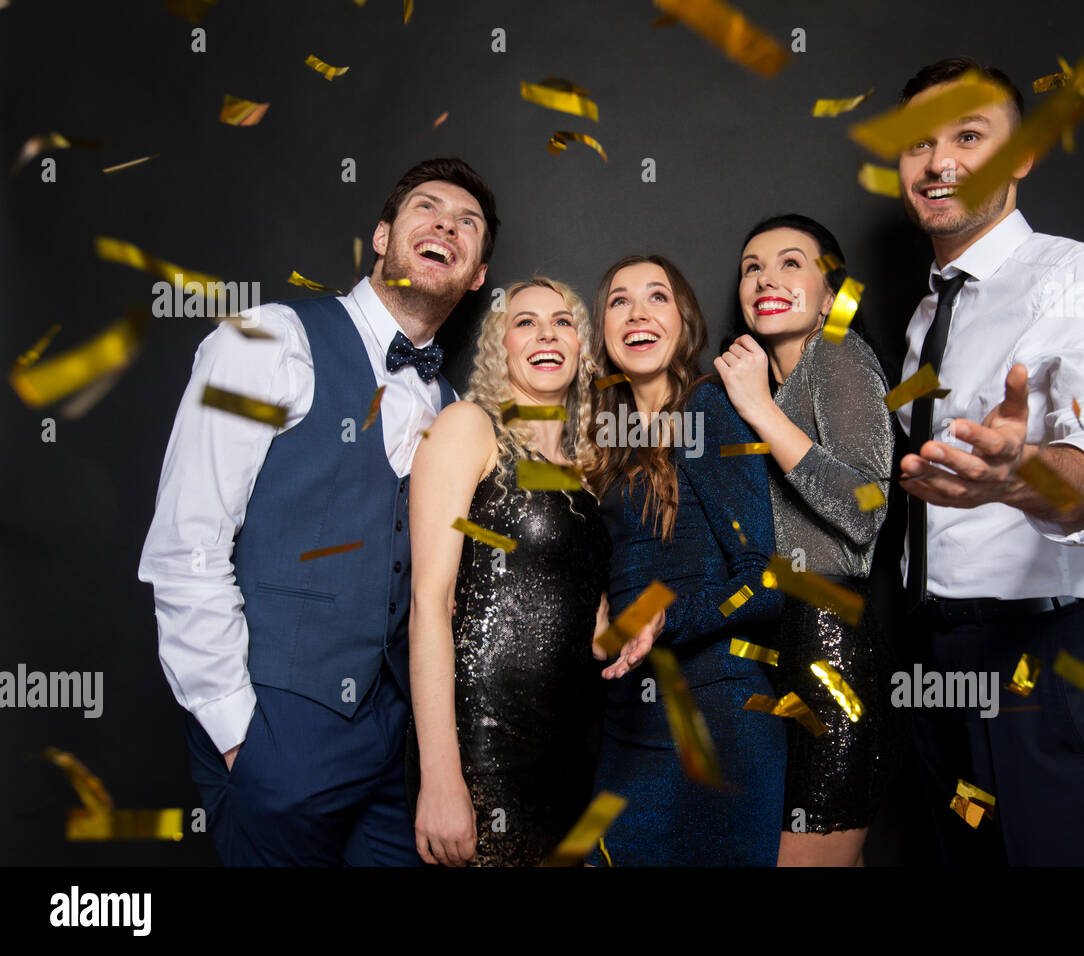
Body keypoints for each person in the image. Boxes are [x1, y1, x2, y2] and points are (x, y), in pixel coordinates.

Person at [138, 157, 499, 865]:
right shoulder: (265, 340)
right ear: (383, 234)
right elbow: (187, 544)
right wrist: (243, 736)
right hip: (280, 737)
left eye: (467, 224)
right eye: (426, 209)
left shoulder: (456, 412)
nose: (445, 227)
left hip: (398, 757)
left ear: (478, 273)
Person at [892, 57, 1084, 865]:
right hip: (937, 661)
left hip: (1043, 662)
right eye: (919, 144)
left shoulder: (1077, 276)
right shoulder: (928, 309)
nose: (939, 163)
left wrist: (1025, 476)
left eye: (970, 137)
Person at [405, 277, 619, 867]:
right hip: (484, 753)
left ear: (582, 350)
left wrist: (659, 613)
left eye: (563, 322)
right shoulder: (469, 429)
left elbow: (598, 636)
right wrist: (441, 776)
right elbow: (429, 602)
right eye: (525, 321)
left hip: (572, 757)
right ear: (500, 346)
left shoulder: (582, 476)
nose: (546, 333)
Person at [584, 255, 786, 867]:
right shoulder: (609, 441)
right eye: (619, 300)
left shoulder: (708, 411)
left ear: (685, 321)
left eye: (657, 297)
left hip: (715, 714)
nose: (638, 313)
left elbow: (767, 582)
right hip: (629, 719)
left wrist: (665, 620)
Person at [715, 214, 903, 866]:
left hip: (827, 649)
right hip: (769, 651)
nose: (766, 277)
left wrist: (760, 408)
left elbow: (863, 510)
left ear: (831, 295)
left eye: (791, 262)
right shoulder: (766, 383)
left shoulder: (838, 352)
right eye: (752, 267)